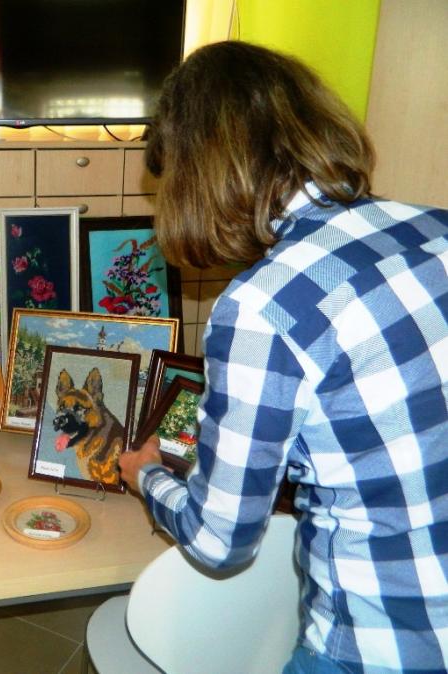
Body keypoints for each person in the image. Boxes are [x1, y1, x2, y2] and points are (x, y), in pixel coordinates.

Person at [118, 41, 447, 674]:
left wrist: (147, 475)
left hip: (378, 646)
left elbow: (220, 542)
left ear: (198, 174)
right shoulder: (435, 228)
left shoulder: (262, 306)